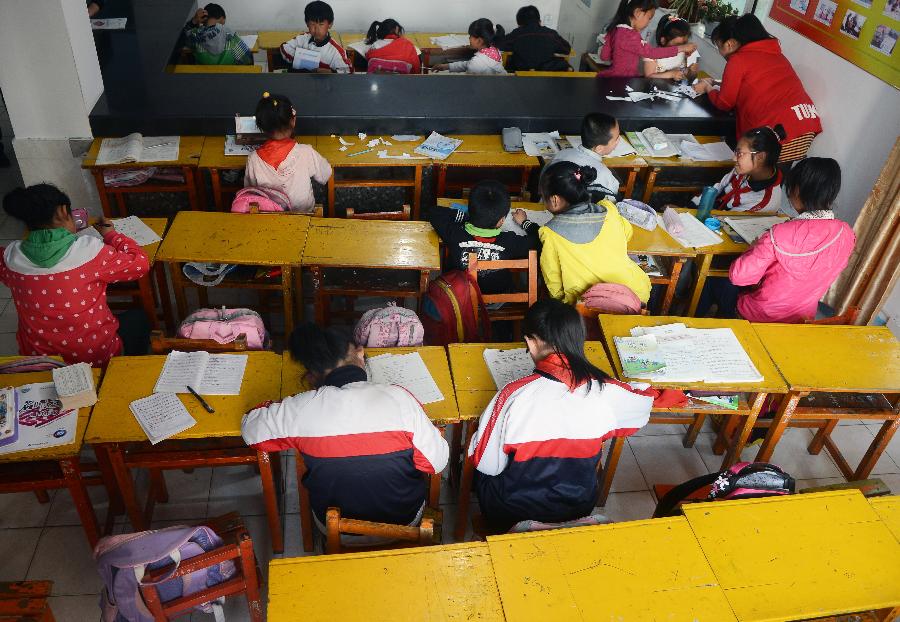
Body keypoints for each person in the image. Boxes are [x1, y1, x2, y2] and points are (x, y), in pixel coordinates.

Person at [241, 323, 449, 534]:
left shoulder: (300, 408)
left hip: (335, 528)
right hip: (405, 521)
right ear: (359, 353)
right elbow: (437, 463)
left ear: (312, 376)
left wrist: (282, 404)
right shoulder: (400, 398)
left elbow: (250, 431)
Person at [468, 299, 653, 531]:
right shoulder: (607, 391)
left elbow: (486, 464)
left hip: (514, 512)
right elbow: (642, 408)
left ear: (530, 342)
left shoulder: (513, 395)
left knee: (483, 466)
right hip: (578, 506)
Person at [0, 184, 150, 366]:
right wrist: (111, 235)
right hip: (94, 356)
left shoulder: (9, 257)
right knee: (139, 317)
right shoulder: (90, 250)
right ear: (63, 212)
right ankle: (122, 371)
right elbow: (140, 263)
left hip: (42, 361)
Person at [729, 158, 855, 323]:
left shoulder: (779, 233)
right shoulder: (846, 233)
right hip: (801, 319)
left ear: (797, 189)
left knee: (715, 283)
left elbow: (739, 277)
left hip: (761, 316)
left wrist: (753, 248)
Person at [694, 15, 821, 162]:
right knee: (775, 179)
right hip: (804, 125)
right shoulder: (777, 55)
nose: (720, 51)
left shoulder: (738, 60)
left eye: (718, 46)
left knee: (755, 176)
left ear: (729, 44)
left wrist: (709, 88)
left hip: (777, 131)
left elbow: (724, 102)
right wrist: (718, 84)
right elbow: (758, 85)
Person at [538, 162, 651, 305]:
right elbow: (627, 233)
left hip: (586, 306)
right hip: (634, 296)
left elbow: (553, 281)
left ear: (555, 200)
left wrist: (565, 304)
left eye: (543, 196)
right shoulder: (609, 209)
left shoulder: (550, 233)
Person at [427, 180, 539, 294]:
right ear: (501, 221)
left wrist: (466, 217)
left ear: (471, 210)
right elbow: (541, 238)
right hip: (497, 299)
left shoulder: (455, 233)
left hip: (459, 298)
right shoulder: (510, 241)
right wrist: (525, 222)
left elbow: (433, 212)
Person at [243, 92, 332, 213]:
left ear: (261, 128)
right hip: (304, 218)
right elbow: (326, 174)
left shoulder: (253, 159)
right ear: (293, 120)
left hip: (268, 220)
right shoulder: (306, 152)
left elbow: (250, 192)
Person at [691, 125, 786, 213]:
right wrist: (693, 206)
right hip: (711, 209)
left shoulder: (764, 201)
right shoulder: (746, 168)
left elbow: (726, 222)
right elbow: (719, 186)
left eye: (739, 153)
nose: (734, 158)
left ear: (760, 157)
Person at [599, 0, 697, 78]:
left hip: (615, 76)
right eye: (649, 18)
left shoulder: (615, 29)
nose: (648, 23)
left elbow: (604, 56)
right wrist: (682, 48)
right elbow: (652, 53)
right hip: (622, 79)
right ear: (638, 13)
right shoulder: (630, 36)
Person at [547, 112, 622, 201]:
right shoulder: (605, 176)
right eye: (617, 138)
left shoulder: (561, 154)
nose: (619, 140)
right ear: (599, 149)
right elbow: (611, 205)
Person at [280, 1, 351, 73]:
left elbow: (348, 71)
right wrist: (300, 58)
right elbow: (284, 48)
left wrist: (331, 72)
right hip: (301, 80)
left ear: (330, 24)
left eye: (321, 24)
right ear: (307, 24)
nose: (316, 29)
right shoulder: (303, 38)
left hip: (324, 83)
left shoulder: (335, 51)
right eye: (313, 24)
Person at [495, 5, 572, 72]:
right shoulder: (551, 34)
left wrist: (500, 34)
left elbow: (500, 45)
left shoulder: (517, 33)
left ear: (519, 24)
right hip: (546, 78)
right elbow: (567, 49)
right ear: (539, 21)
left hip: (521, 75)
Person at [182, 4, 253, 66]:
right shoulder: (229, 35)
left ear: (203, 19)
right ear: (222, 18)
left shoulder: (195, 35)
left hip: (203, 78)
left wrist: (194, 20)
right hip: (227, 78)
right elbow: (247, 59)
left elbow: (184, 37)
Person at [433, 19, 507, 74]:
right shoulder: (495, 50)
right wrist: (446, 66)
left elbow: (468, 84)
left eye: (471, 36)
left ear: (479, 41)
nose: (469, 38)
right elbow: (469, 64)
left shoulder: (477, 63)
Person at [643, 15, 698, 80]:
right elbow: (648, 76)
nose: (684, 47)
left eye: (684, 44)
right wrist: (671, 74)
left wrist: (692, 71)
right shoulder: (652, 54)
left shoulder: (683, 53)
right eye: (678, 44)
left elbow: (687, 75)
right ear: (663, 41)